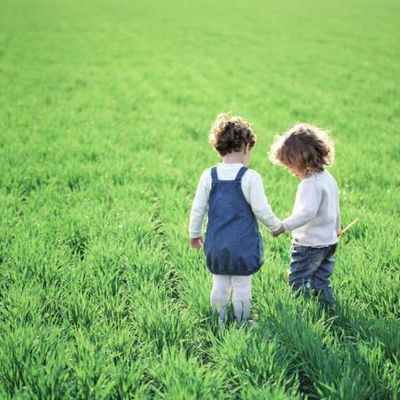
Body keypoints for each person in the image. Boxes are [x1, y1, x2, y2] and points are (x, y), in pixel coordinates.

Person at [189, 113, 281, 326]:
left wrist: (194, 234)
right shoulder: (250, 177)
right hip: (242, 245)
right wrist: (276, 227)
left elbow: (198, 209)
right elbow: (262, 209)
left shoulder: (208, 175)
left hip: (217, 243)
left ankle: (218, 322)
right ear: (246, 147)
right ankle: (241, 323)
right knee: (242, 287)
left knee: (219, 285)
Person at [269, 123, 340, 307]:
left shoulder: (310, 184)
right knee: (321, 281)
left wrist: (282, 226)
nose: (291, 171)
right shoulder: (328, 178)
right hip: (329, 242)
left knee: (297, 280)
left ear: (301, 159)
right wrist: (336, 228)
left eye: (291, 166)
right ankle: (328, 308)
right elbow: (335, 207)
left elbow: (307, 213)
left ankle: (302, 311)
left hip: (310, 245)